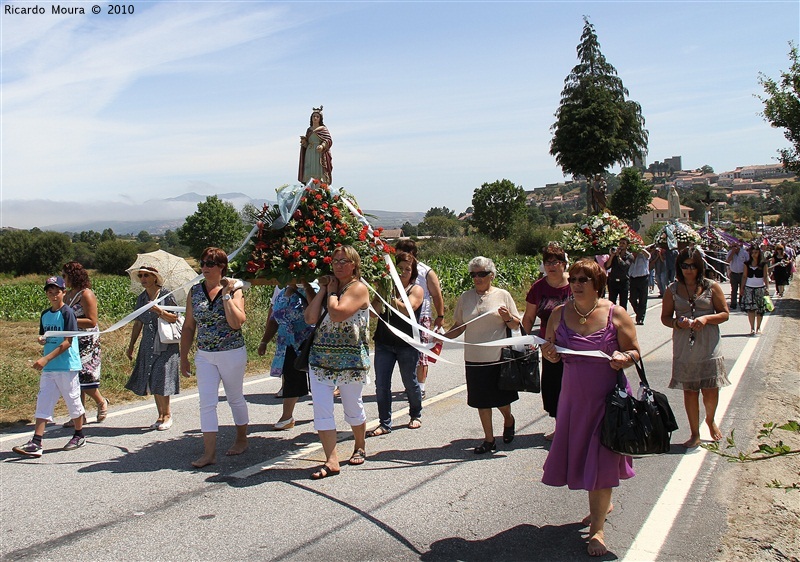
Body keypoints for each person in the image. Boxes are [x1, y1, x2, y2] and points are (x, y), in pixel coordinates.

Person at [540, 259, 640, 557]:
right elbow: (551, 351)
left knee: (601, 461)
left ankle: (597, 529)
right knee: (585, 458)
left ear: (598, 283)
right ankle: (601, 504)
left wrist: (625, 358)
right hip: (572, 400)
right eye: (574, 279)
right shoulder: (559, 314)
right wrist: (551, 354)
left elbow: (635, 351)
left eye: (585, 279)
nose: (577, 283)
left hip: (607, 399)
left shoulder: (616, 313)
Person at [304, 245, 371, 479]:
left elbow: (337, 314)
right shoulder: (330, 288)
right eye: (335, 260)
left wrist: (332, 292)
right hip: (320, 358)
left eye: (344, 261)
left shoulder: (359, 288)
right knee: (322, 408)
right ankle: (331, 460)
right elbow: (311, 318)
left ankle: (359, 445)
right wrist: (323, 290)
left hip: (349, 358)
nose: (339, 265)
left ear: (354, 264)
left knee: (352, 405)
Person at [444, 256, 520, 454]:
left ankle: (508, 419)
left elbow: (516, 324)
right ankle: (489, 440)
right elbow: (459, 326)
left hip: (497, 356)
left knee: (501, 400)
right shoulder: (465, 297)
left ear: (491, 275)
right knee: (481, 401)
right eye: (474, 274)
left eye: (482, 274)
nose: (477, 278)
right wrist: (440, 338)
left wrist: (507, 317)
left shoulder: (502, 295)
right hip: (474, 358)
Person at [180, 248, 248, 468]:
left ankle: (241, 438)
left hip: (231, 352)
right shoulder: (195, 291)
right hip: (205, 355)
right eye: (203, 263)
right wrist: (184, 356)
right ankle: (209, 453)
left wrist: (227, 295)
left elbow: (237, 322)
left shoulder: (235, 289)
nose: (205, 268)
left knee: (234, 397)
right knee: (206, 403)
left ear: (222, 267)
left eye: (211, 264)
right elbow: (189, 326)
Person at [661, 248, 730, 448]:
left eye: (692, 266)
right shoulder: (672, 290)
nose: (688, 270)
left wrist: (707, 318)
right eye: (684, 266)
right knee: (690, 390)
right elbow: (665, 318)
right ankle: (694, 433)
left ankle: (710, 419)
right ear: (679, 267)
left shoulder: (711, 287)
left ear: (699, 266)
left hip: (709, 344)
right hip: (685, 348)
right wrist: (677, 323)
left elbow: (724, 314)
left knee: (710, 389)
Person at [13, 276, 86, 457]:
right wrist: (42, 340)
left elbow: (68, 341)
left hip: (66, 365)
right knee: (43, 400)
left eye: (57, 292)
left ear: (63, 292)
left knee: (72, 400)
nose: (53, 295)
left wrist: (45, 359)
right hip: (50, 368)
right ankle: (36, 442)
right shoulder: (45, 314)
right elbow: (45, 335)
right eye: (50, 292)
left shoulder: (67, 313)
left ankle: (79, 435)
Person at [368, 251, 424, 437]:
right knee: (381, 384)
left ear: (413, 273)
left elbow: (408, 310)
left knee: (410, 382)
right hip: (384, 343)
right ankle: (384, 423)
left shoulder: (416, 290)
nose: (403, 272)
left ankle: (415, 413)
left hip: (407, 345)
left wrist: (387, 295)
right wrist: (378, 294)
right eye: (399, 268)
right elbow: (372, 313)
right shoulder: (385, 290)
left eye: (407, 269)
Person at [521, 244, 571, 440]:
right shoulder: (538, 288)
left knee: (576, 386)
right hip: (549, 346)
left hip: (576, 344)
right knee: (554, 386)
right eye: (547, 262)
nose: (551, 266)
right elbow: (529, 317)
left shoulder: (575, 283)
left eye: (556, 262)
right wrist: (525, 341)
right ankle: (561, 427)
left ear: (564, 264)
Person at [125, 266, 182, 430]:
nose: (143, 279)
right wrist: (131, 345)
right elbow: (138, 322)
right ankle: (160, 415)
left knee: (162, 377)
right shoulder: (142, 298)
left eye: (146, 275)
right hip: (148, 342)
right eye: (141, 276)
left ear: (155, 278)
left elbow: (175, 318)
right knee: (152, 378)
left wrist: (159, 311)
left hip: (165, 342)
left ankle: (167, 415)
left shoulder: (166, 294)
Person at [257, 281, 317, 430]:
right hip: (288, 344)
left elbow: (318, 311)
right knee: (291, 379)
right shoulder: (282, 293)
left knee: (317, 381)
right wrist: (264, 341)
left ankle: (322, 414)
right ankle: (287, 417)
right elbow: (273, 319)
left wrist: (306, 286)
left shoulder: (312, 288)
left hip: (309, 342)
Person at [394, 238, 445, 399]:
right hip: (400, 316)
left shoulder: (426, 272)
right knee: (405, 353)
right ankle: (411, 383)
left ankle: (420, 387)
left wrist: (440, 316)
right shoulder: (395, 270)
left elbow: (437, 295)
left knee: (421, 352)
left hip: (421, 317)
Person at [61, 262, 108, 426]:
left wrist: (70, 320)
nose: (63, 279)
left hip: (88, 342)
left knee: (86, 378)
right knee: (75, 379)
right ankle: (79, 415)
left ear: (73, 276)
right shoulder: (68, 295)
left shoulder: (86, 294)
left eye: (65, 276)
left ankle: (101, 402)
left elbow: (91, 320)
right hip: (72, 341)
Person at [740, 245, 770, 336]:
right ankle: (752, 328)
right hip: (749, 288)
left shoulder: (763, 264)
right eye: (752, 252)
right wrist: (742, 288)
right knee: (751, 309)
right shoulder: (747, 264)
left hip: (760, 288)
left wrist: (767, 288)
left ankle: (758, 328)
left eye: (756, 252)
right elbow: (744, 276)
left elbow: (765, 276)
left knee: (760, 309)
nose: (754, 254)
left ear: (759, 253)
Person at [298, 106, 333, 184]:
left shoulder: (323, 129)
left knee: (318, 170)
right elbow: (308, 143)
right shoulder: (309, 130)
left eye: (317, 116)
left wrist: (322, 145)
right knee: (309, 169)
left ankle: (320, 188)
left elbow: (328, 140)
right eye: (314, 116)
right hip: (309, 152)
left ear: (320, 118)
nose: (315, 118)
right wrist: (304, 143)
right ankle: (308, 188)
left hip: (319, 153)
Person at [606, 238, 633, 310]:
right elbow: (607, 266)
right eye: (620, 243)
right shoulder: (614, 255)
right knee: (611, 303)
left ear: (627, 246)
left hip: (623, 282)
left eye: (623, 243)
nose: (621, 245)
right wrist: (612, 256)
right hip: (613, 281)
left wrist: (618, 256)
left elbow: (624, 266)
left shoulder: (629, 256)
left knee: (623, 304)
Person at [627, 245, 651, 325]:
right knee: (632, 299)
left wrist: (641, 248)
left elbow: (648, 255)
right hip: (633, 279)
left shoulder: (643, 255)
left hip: (643, 278)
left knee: (642, 299)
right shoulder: (629, 256)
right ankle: (638, 312)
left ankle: (640, 318)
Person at [726, 242, 748, 309]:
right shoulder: (730, 252)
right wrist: (733, 252)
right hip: (734, 274)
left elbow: (748, 262)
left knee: (742, 289)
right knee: (734, 289)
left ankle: (742, 302)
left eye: (735, 246)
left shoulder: (744, 253)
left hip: (742, 274)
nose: (734, 247)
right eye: (733, 246)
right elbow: (728, 260)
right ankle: (733, 303)